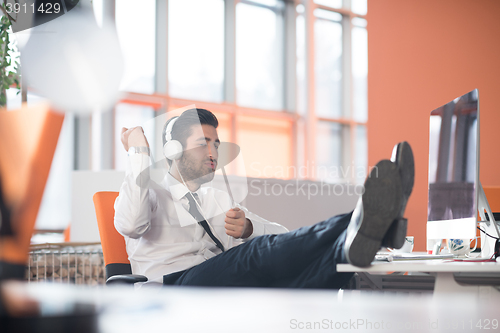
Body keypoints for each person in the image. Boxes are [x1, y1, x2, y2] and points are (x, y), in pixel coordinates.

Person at [114, 108, 414, 288]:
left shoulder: (215, 199)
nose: (213, 154)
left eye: (217, 145)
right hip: (170, 287)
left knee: (303, 280)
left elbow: (282, 240)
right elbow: (130, 224)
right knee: (250, 255)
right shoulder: (146, 189)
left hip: (213, 283)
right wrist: (138, 152)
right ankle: (368, 216)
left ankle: (368, 231)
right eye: (203, 143)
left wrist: (249, 229)